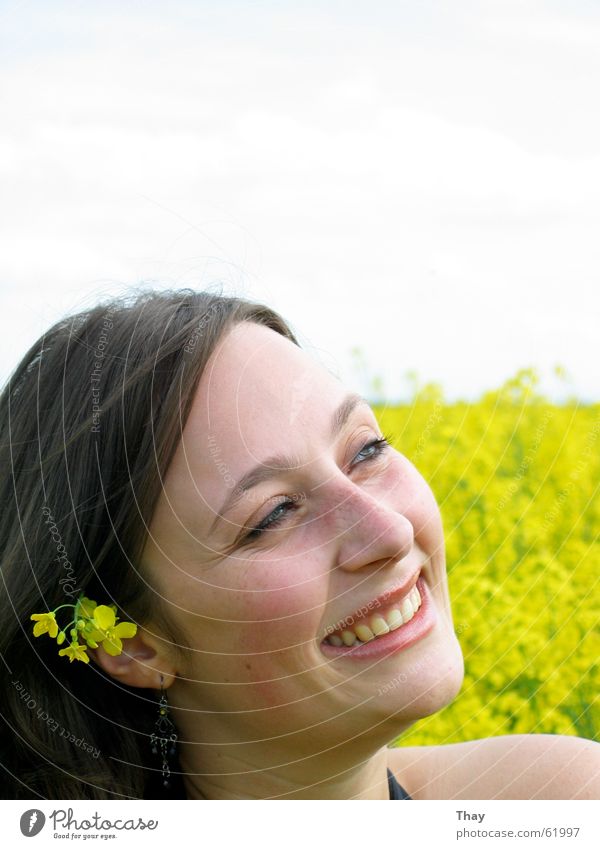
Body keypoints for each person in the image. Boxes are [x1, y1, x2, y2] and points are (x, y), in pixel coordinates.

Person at [0, 288, 598, 800]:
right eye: (274, 514)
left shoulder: (562, 797)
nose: (389, 532)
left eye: (367, 450)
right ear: (133, 645)